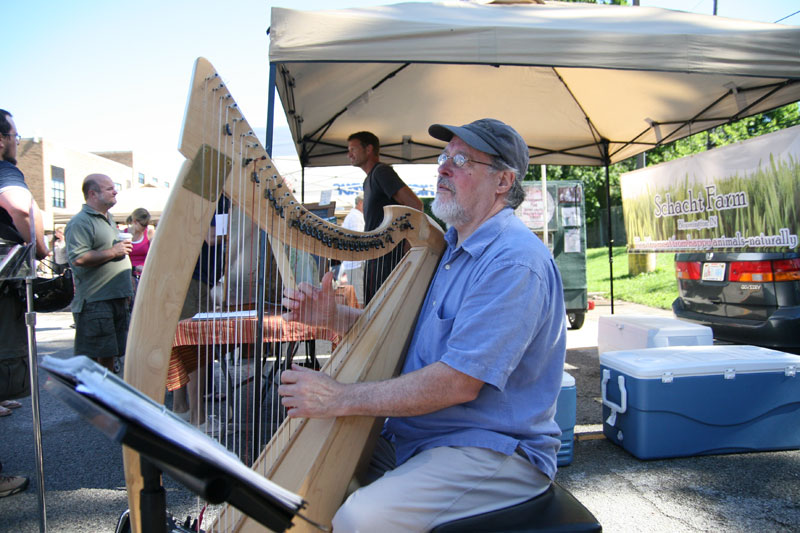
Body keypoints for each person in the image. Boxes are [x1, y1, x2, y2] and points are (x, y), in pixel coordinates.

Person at [281, 118, 566, 532]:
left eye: (462, 160)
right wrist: (334, 318)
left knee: (359, 519)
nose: (443, 168)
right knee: (305, 491)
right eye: (444, 157)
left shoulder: (514, 261)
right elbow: (412, 338)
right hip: (426, 437)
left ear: (503, 181)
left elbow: (458, 381)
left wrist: (340, 397)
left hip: (494, 448)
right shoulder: (450, 249)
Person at [0, 109, 47, 498]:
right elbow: (18, 206)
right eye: (15, 135)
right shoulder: (5, 170)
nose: (17, 141)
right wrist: (37, 247)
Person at [65, 174, 133, 373]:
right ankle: (98, 402)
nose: (115, 191)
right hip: (96, 302)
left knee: (111, 358)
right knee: (98, 364)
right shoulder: (81, 222)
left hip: (116, 299)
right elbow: (78, 258)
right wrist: (114, 251)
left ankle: (107, 400)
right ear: (92, 194)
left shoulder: (108, 220)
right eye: (109, 188)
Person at [347, 131, 422, 304]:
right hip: (376, 257)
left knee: (382, 307)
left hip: (388, 259)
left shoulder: (382, 172)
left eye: (353, 149)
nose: (349, 154)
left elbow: (415, 205)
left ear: (369, 149)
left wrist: (407, 243)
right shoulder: (368, 180)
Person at [337, 195, 365, 306]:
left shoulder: (354, 216)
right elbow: (357, 240)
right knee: (359, 299)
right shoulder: (356, 217)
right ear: (360, 203)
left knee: (358, 297)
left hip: (354, 263)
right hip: (355, 263)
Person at [126, 207, 154, 309]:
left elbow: (153, 255)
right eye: (143, 225)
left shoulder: (149, 233)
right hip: (129, 273)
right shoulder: (124, 234)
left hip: (144, 274)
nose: (144, 227)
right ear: (135, 222)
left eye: (146, 225)